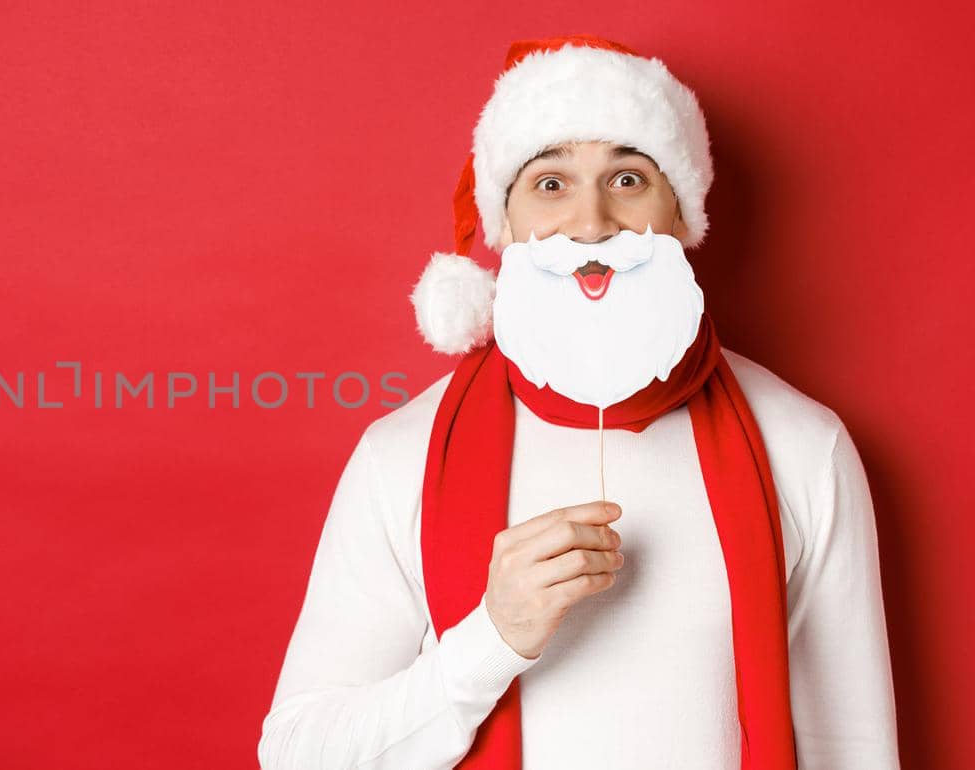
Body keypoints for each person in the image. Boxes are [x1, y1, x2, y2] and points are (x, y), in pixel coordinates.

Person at [257, 34, 900, 769]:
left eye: (627, 179)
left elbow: (853, 748)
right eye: (551, 183)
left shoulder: (803, 445)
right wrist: (490, 641)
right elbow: (300, 754)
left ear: (683, 216)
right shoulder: (401, 455)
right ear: (507, 227)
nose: (591, 224)